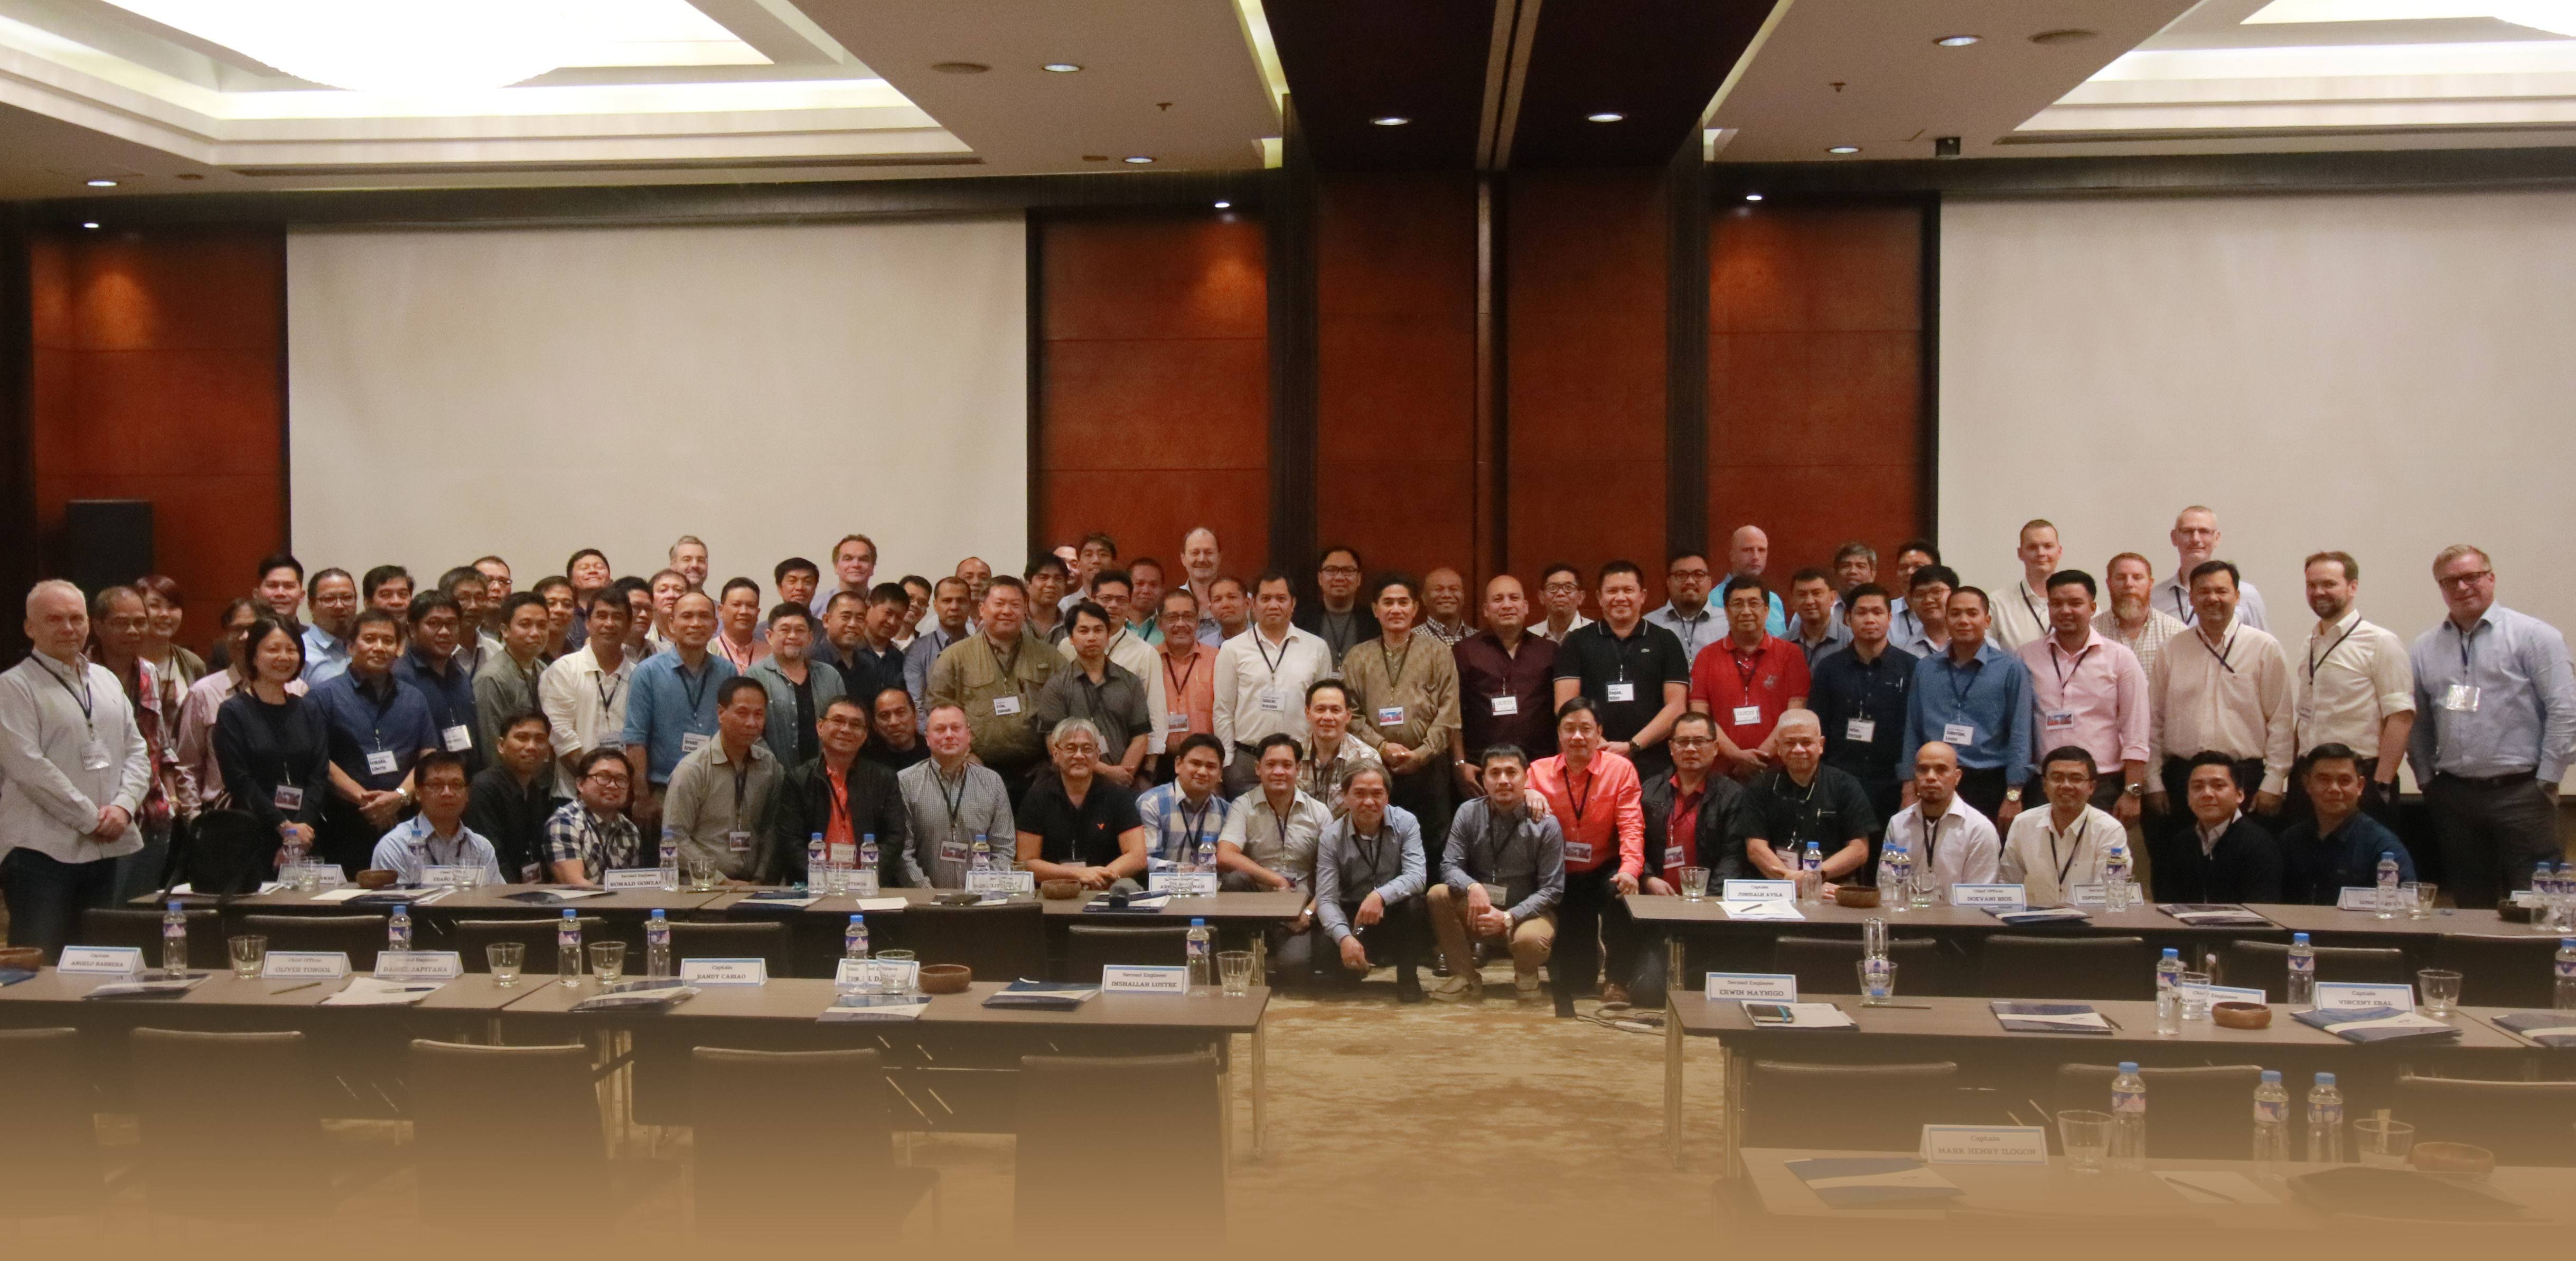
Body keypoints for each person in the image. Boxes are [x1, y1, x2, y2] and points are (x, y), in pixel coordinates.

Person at [2409, 544, 2576, 908]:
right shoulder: (2424, 647)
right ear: (2441, 588)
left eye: (2471, 577)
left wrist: (2547, 780)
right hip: (2455, 797)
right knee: (2471, 905)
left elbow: (2565, 711)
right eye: (2450, 581)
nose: (2462, 587)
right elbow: (2418, 721)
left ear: (2491, 578)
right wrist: (2425, 779)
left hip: (2522, 793)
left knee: (2537, 904)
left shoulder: (2535, 637)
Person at [0, 582, 150, 956]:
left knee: (99, 961)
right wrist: (91, 819)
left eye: (76, 618)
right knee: (39, 965)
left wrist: (124, 807)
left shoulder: (105, 679)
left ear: (88, 624)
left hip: (106, 847)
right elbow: (29, 768)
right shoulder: (13, 687)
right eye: (55, 620)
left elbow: (137, 751)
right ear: (30, 628)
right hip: (41, 852)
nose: (68, 628)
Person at [2145, 561, 2294, 836]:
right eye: (2204, 592)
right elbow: (2154, 720)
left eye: (2222, 591)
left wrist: (2274, 782)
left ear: (2237, 596)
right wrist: (2153, 781)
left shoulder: (2264, 648)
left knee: (2245, 857)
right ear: (2192, 598)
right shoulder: (2172, 650)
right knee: (2181, 858)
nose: (2213, 598)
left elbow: (2281, 721)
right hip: (2182, 778)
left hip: (2245, 778)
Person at [1528, 697, 1645, 1010]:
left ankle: (1617, 979)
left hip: (1605, 866)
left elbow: (1632, 826)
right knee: (1577, 982)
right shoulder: (1538, 772)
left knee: (1622, 892)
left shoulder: (1620, 770)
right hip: (1562, 874)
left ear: (1599, 733)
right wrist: (1528, 792)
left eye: (1585, 729)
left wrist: (1631, 869)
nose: (1577, 736)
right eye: (1569, 729)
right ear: (1559, 734)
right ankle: (1588, 956)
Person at [1339, 574, 1462, 869]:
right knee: (1380, 840)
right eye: (1388, 603)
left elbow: (1449, 713)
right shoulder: (1358, 657)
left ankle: (1431, 897)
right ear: (1375, 609)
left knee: (1434, 843)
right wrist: (1382, 747)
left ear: (1415, 608)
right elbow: (1351, 714)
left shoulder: (1438, 653)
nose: (1396, 610)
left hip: (1430, 767)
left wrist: (1420, 755)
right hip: (1375, 767)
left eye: (1403, 603)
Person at [1428, 744, 1563, 1003]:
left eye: (1511, 772)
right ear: (1484, 781)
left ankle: (1526, 974)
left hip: (1527, 914)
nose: (1503, 780)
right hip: (1480, 909)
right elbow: (1449, 866)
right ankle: (1465, 977)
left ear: (1526, 778)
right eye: (1495, 773)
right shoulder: (1468, 813)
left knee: (1530, 940)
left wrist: (1508, 917)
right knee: (1438, 894)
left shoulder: (1546, 824)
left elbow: (1552, 890)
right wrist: (1472, 887)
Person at [312, 609, 438, 872]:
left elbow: (428, 756)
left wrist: (399, 797)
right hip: (345, 824)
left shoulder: (415, 698)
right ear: (350, 646)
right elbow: (319, 760)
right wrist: (369, 803)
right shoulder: (324, 696)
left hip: (406, 824)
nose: (379, 647)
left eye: (388, 640)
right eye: (369, 639)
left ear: (399, 649)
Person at [2291, 551, 2414, 821]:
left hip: (2360, 779)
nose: (2319, 592)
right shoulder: (2310, 643)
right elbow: (2306, 714)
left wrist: (2380, 783)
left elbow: (2401, 717)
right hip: (2311, 777)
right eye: (2312, 585)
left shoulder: (2380, 642)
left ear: (2353, 587)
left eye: (2329, 584)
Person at [2018, 570, 2149, 820]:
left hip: (2102, 782)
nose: (2065, 610)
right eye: (2057, 604)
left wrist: (2133, 791)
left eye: (2075, 603)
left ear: (2092, 608)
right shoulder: (2026, 656)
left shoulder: (2120, 658)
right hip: (2044, 783)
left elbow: (2137, 729)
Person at [1901, 587, 2035, 822]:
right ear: (1946, 619)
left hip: (1989, 782)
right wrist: (1908, 786)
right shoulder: (1926, 668)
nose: (1963, 621)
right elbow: (1913, 729)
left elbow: (2020, 733)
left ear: (1987, 620)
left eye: (1972, 613)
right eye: (1955, 614)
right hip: (1934, 778)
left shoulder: (2010, 669)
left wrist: (2014, 794)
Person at [1552, 560, 1689, 778]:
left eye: (1628, 590)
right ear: (1599, 597)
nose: (1620, 597)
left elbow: (1677, 707)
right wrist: (1601, 745)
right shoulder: (1577, 642)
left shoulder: (1666, 641)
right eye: (1612, 591)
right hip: (1592, 758)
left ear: (1642, 596)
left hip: (1654, 762)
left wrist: (1632, 746)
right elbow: (1564, 705)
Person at [213, 616, 330, 871]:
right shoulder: (233, 712)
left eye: (291, 649)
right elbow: (239, 780)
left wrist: (300, 832)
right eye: (273, 649)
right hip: (255, 832)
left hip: (307, 834)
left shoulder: (309, 710)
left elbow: (319, 775)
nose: (283, 657)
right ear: (254, 656)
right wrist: (285, 828)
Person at [926, 576, 1060, 796]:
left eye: (1015, 605)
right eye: (999, 604)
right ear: (982, 609)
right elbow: (938, 710)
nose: (1007, 611)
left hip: (1039, 772)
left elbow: (1065, 712)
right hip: (975, 768)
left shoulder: (1050, 657)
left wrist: (1053, 759)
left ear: (1025, 611)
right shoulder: (954, 658)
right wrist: (965, 755)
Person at [1808, 584, 1917, 850]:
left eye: (1877, 612)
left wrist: (1910, 781)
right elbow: (1818, 726)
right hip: (1840, 780)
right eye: (1862, 612)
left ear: (1889, 618)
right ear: (1848, 618)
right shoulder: (1829, 668)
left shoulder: (1911, 667)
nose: (1870, 619)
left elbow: (1916, 728)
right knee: (1841, 854)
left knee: (1888, 856)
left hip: (1892, 782)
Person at [1309, 765, 1429, 1001]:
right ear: (1345, 796)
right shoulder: (1331, 837)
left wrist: (1380, 896)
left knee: (1417, 906)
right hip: (1354, 915)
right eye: (1360, 793)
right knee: (1324, 948)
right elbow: (1326, 899)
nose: (1369, 802)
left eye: (1377, 794)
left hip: (1392, 910)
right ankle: (1354, 961)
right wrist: (1344, 938)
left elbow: (1417, 876)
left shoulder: (1406, 823)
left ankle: (1408, 978)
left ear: (1387, 796)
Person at [622, 590, 739, 827]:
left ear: (715, 625)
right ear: (672, 624)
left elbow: (733, 731)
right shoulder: (648, 673)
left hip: (716, 788)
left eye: (703, 616)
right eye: (687, 616)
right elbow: (636, 739)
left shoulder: (727, 672)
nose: (696, 623)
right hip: (663, 790)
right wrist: (641, 796)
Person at [90, 586, 180, 899]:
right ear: (98, 626)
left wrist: (172, 797)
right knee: (106, 913)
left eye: (140, 622)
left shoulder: (148, 672)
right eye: (121, 623)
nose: (133, 630)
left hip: (152, 814)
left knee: (141, 911)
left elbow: (159, 740)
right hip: (104, 815)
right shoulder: (81, 672)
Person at [771, 694, 911, 888]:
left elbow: (895, 836)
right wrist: (819, 879)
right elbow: (790, 840)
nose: (846, 729)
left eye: (855, 725)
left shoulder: (883, 778)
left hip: (869, 886)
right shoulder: (799, 779)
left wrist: (869, 876)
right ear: (820, 727)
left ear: (865, 735)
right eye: (838, 721)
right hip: (814, 887)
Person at [1213, 570, 1332, 795]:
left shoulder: (1316, 648)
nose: (1273, 605)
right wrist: (1227, 760)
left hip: (1299, 761)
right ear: (1253, 604)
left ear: (1293, 603)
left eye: (1281, 598)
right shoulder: (1232, 649)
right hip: (1247, 761)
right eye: (1266, 599)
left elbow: (1323, 707)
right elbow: (1223, 710)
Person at [1688, 575, 1811, 783]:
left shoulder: (1791, 655)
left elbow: (1795, 714)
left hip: (1778, 773)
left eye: (1754, 603)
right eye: (1738, 604)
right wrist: (1737, 756)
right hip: (1722, 775)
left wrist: (1759, 758)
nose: (1746, 611)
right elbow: (1701, 717)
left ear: (1767, 610)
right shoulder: (1706, 657)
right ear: (1726, 611)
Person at [658, 676, 781, 883]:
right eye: (742, 713)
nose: (752, 723)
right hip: (703, 885)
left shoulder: (768, 765)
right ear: (721, 713)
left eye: (759, 715)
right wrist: (721, 881)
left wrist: (760, 879)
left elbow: (770, 829)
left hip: (752, 885)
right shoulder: (692, 770)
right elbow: (674, 839)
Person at [1732, 710, 1875, 883]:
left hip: (1830, 884)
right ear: (1778, 747)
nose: (1798, 749)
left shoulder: (1845, 785)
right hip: (1776, 884)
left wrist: (1814, 876)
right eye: (1790, 743)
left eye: (1806, 742)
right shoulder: (1760, 786)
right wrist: (1791, 882)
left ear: (1821, 745)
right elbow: (1755, 848)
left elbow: (1860, 850)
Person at [1451, 573, 1559, 796]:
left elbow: (1560, 713)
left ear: (1526, 606)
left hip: (1540, 767)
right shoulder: (1465, 652)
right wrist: (1460, 763)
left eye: (1514, 598)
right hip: (1483, 770)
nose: (1507, 605)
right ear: (1486, 610)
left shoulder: (1549, 651)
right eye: (1498, 599)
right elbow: (1453, 714)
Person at [1015, 718, 1148, 891]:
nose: (1079, 755)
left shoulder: (1118, 795)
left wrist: (1099, 877)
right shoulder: (1037, 797)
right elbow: (1026, 862)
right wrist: (1078, 875)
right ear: (1056, 754)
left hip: (1106, 890)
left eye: (1087, 749)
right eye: (1071, 748)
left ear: (1097, 755)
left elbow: (1137, 857)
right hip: (1054, 893)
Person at [1054, 570, 1170, 768]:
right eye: (1106, 599)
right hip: (1074, 758)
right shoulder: (1068, 646)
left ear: (1130, 603)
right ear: (1092, 600)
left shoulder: (1145, 653)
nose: (1113, 606)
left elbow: (1156, 715)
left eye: (1121, 600)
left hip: (1126, 759)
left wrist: (1148, 770)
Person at [176, 598, 284, 812]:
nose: (244, 637)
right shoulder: (203, 692)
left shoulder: (295, 690)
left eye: (252, 629)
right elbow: (188, 767)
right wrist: (195, 820)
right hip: (224, 815)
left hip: (284, 810)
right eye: (237, 629)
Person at [894, 703, 1017, 889]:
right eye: (940, 729)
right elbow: (903, 852)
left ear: (969, 735)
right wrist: (927, 895)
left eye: (956, 728)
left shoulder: (992, 782)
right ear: (927, 739)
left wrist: (984, 889)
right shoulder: (905, 782)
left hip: (982, 898)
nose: (949, 735)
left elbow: (1004, 848)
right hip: (924, 900)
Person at [1032, 600, 1153, 787]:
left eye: (1098, 630)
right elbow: (1053, 743)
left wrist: (1123, 774)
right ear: (1071, 638)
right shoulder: (1056, 686)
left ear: (1108, 636)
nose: (1091, 637)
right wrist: (1107, 772)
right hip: (1072, 783)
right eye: (1083, 631)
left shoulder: (1130, 682)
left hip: (1122, 782)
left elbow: (1140, 736)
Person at [2280, 743, 2418, 905]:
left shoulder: (2383, 846)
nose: (2334, 789)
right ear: (2308, 785)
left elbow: (2404, 907)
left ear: (2360, 786)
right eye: (2324, 780)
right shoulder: (2290, 841)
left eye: (2344, 781)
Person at [1999, 746, 2128, 907]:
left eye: (2076, 779)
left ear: (2091, 787)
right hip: (2034, 919)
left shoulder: (2110, 830)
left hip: (2090, 919)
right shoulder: (2023, 824)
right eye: (2057, 778)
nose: (2066, 785)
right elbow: (2008, 884)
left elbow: (2110, 894)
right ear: (2045, 785)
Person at [537, 593, 636, 798]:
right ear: (588, 623)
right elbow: (561, 735)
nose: (609, 623)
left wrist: (618, 785)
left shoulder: (639, 675)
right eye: (602, 616)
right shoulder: (564, 669)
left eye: (617, 617)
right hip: (572, 794)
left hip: (623, 795)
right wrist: (595, 782)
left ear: (628, 626)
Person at [2155, 750, 2284, 903]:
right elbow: (2168, 904)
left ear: (2240, 795)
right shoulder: (2182, 843)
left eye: (2218, 786)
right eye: (2197, 787)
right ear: (2188, 798)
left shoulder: (2259, 845)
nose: (2207, 794)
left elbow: (2262, 909)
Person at [1217, 733, 1332, 897]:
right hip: (1257, 897)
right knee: (1235, 880)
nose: (1278, 772)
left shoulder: (1319, 812)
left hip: (1303, 898)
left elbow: (1331, 869)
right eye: (1270, 765)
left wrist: (1310, 909)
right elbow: (1225, 855)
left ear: (1298, 769)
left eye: (1287, 765)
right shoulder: (1243, 805)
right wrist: (1277, 880)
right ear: (1258, 768)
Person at [1884, 741, 2001, 898]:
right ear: (1914, 775)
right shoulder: (1898, 823)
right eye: (1923, 770)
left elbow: (1978, 899)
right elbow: (1887, 886)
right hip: (1905, 912)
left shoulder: (1979, 829)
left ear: (1957, 777)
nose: (1931, 777)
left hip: (1959, 914)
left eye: (1941, 770)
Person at [368, 751, 504, 886]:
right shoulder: (395, 847)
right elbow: (391, 900)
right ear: (418, 793)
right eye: (436, 785)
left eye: (456, 785)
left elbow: (498, 898)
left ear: (468, 794)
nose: (447, 793)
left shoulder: (482, 848)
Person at [394, 592, 483, 774]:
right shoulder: (399, 678)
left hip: (465, 778)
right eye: (434, 624)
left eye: (451, 624)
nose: (444, 632)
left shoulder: (459, 672)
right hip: (424, 781)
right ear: (412, 630)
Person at [463, 710, 556, 883]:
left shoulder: (534, 788)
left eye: (540, 740)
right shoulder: (485, 787)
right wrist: (519, 895)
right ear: (501, 745)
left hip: (531, 887)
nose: (531, 746)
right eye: (522, 738)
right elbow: (492, 857)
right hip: (498, 889)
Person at [2156, 506, 2269, 629]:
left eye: (2204, 532)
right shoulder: (2155, 598)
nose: (2196, 539)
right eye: (2187, 531)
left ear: (2217, 538)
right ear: (2174, 537)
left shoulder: (2246, 594)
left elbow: (2260, 640)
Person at [544, 748, 642, 887]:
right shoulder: (564, 822)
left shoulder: (630, 830)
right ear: (581, 784)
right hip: (578, 900)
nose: (612, 785)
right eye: (603, 777)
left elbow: (631, 884)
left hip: (618, 900)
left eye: (621, 779)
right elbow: (575, 884)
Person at [1136, 735, 1232, 870]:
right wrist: (1181, 870)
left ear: (1220, 774)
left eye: (1211, 766)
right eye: (1196, 764)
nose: (1202, 772)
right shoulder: (1152, 803)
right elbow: (1144, 859)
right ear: (1178, 765)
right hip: (1161, 883)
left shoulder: (1226, 811)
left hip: (1211, 883)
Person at [473, 591, 551, 757]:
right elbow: (492, 746)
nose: (535, 633)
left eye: (542, 625)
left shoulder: (544, 670)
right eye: (525, 625)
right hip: (506, 772)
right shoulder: (492, 678)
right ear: (505, 630)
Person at [2095, 552, 2187, 688]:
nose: (2129, 584)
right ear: (2109, 584)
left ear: (2150, 584)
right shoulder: (2092, 633)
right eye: (2121, 578)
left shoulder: (2175, 633)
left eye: (2137, 578)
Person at [1296, 678, 1385, 815]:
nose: (1327, 717)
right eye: (1320, 709)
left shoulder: (1366, 757)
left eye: (1335, 710)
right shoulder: (1292, 754)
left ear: (1348, 716)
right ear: (1308, 713)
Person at [1294, 545, 1380, 662]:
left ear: (1359, 578)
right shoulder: (1300, 620)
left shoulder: (1375, 621)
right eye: (1331, 570)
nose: (1339, 577)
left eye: (1348, 571)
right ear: (1320, 578)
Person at [1989, 519, 2064, 651]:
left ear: (2059, 552)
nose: (2041, 553)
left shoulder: (2081, 602)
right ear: (2020, 553)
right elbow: (1987, 655)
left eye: (2048, 546)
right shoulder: (1997, 603)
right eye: (2032, 547)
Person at [904, 576, 972, 722]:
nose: (954, 607)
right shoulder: (917, 650)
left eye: (961, 601)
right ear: (936, 606)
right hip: (931, 732)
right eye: (947, 601)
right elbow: (916, 707)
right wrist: (936, 733)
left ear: (970, 605)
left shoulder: (981, 649)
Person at [1156, 589, 1217, 742]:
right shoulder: (1149, 660)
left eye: (1188, 617)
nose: (1181, 624)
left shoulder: (1217, 659)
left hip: (1206, 752)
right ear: (1160, 623)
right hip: (1160, 754)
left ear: (1198, 622)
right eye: (1172, 617)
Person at [839, 582, 912, 711]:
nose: (892, 622)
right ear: (869, 608)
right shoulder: (847, 652)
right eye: (888, 613)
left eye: (899, 618)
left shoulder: (900, 659)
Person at [1645, 551, 1721, 661]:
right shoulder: (1649, 625)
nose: (1690, 581)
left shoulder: (1728, 623)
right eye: (1681, 575)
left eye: (1698, 575)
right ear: (1668, 582)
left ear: (1710, 582)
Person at [1725, 526, 1791, 636]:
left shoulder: (1774, 600)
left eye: (1761, 550)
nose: (1756, 557)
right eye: (1748, 550)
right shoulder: (1713, 601)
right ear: (1732, 555)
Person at [299, 568, 359, 686]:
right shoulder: (300, 652)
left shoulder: (366, 646)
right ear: (311, 606)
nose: (339, 606)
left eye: (347, 598)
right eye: (329, 599)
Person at [1888, 564, 1955, 660]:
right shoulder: (1905, 653)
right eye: (1920, 594)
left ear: (1955, 595)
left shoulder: (1974, 644)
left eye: (1937, 592)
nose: (1928, 600)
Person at [1785, 568, 1850, 665]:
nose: (1809, 601)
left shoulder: (1851, 642)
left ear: (1833, 598)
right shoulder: (1782, 645)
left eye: (1817, 593)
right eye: (1802, 595)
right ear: (1792, 601)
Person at [439, 567, 497, 674]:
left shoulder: (495, 650)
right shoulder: (434, 652)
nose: (473, 606)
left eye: (479, 598)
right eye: (463, 598)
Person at [809, 533, 879, 619]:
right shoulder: (815, 606)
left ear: (872, 568)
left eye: (863, 560)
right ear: (836, 566)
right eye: (848, 559)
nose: (856, 565)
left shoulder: (880, 607)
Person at [1886, 542, 1940, 647]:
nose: (1910, 572)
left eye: (1918, 567)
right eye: (1903, 568)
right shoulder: (1886, 611)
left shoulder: (1950, 613)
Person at [1178, 527, 1226, 645]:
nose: (1202, 559)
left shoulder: (1243, 602)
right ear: (1183, 558)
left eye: (1209, 553)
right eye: (1195, 553)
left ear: (1220, 557)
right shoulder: (1171, 603)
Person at [864, 688, 928, 773]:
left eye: (901, 713)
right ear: (874, 725)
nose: (894, 722)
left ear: (915, 716)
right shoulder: (867, 765)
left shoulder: (934, 753)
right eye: (884, 716)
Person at [709, 577, 767, 672]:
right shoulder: (707, 651)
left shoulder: (771, 655)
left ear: (758, 612)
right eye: (736, 605)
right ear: (720, 610)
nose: (744, 611)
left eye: (751, 606)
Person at [561, 547, 613, 655]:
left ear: (610, 580)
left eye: (599, 567)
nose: (593, 571)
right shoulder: (565, 615)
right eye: (584, 568)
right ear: (571, 581)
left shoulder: (620, 613)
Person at [1532, 563, 1594, 642]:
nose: (1560, 593)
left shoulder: (1595, 634)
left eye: (1569, 587)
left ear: (1581, 597)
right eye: (1553, 588)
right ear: (1541, 597)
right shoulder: (1531, 636)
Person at [818, 589, 868, 682]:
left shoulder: (868, 666)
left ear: (866, 625)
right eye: (845, 617)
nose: (853, 624)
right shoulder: (811, 662)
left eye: (860, 619)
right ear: (826, 621)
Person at [1419, 567, 1473, 647]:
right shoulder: (1411, 641)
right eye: (1439, 590)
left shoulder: (1479, 640)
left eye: (1454, 589)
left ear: (1463, 597)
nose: (1447, 595)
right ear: (1424, 598)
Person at [1023, 553, 1071, 645]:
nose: (1051, 584)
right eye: (1043, 578)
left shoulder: (1071, 625)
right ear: (1028, 583)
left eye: (1058, 579)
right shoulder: (1015, 621)